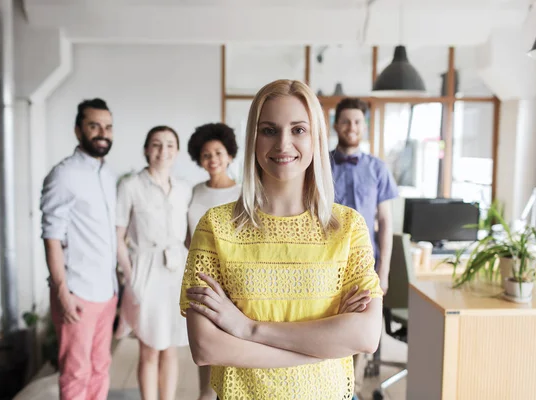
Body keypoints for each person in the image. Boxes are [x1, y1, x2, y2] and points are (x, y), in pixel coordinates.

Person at [180, 80, 383, 400]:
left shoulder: (347, 227)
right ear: (253, 138)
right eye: (269, 130)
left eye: (298, 130)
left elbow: (367, 335)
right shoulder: (216, 227)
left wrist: (247, 329)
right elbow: (206, 346)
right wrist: (324, 344)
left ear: (316, 138)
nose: (283, 144)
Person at [40, 98, 118, 400]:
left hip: (107, 291)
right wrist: (62, 291)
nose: (103, 132)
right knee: (76, 371)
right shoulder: (63, 175)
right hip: (77, 292)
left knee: (100, 367)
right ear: (78, 131)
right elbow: (51, 237)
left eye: (108, 127)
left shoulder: (109, 175)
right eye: (94, 126)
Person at [115, 126, 192, 400]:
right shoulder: (131, 186)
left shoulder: (184, 188)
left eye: (170, 145)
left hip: (176, 271)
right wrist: (130, 276)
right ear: (147, 149)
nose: (163, 151)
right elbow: (118, 236)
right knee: (149, 346)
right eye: (157, 144)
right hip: (145, 270)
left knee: (171, 345)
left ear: (177, 151)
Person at [329, 98, 399, 384]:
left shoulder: (378, 169)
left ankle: (352, 384)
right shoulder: (319, 164)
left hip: (364, 261)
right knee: (329, 319)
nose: (352, 127)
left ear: (365, 126)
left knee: (361, 324)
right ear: (336, 125)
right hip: (326, 257)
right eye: (346, 121)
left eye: (357, 121)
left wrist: (383, 271)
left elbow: (385, 223)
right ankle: (330, 380)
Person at [186, 123, 241, 400]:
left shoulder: (243, 192)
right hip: (199, 283)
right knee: (204, 355)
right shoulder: (194, 191)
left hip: (233, 284)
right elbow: (187, 239)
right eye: (206, 155)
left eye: (218, 153)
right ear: (199, 159)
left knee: (232, 359)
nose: (213, 160)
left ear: (230, 155)